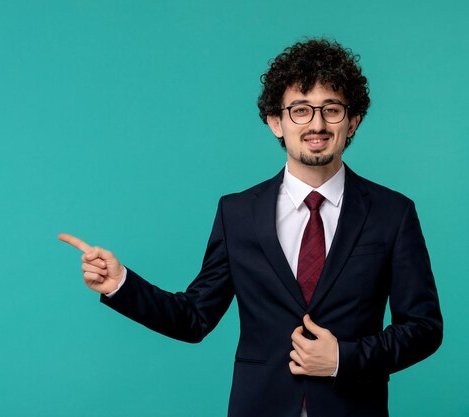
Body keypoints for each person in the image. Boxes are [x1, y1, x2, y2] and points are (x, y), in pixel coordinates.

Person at [59, 38, 443, 417]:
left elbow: (425, 327)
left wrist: (345, 358)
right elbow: (195, 317)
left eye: (332, 109)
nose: (317, 124)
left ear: (353, 120)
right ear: (276, 122)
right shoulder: (237, 213)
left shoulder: (393, 212)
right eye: (300, 110)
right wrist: (120, 284)